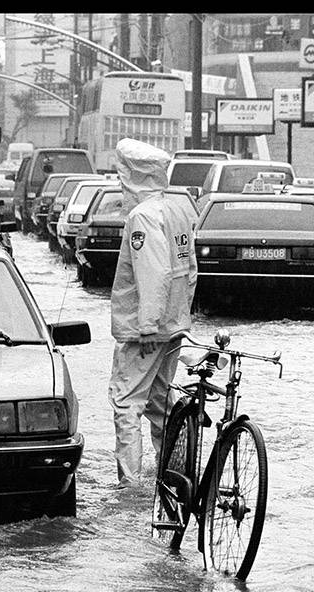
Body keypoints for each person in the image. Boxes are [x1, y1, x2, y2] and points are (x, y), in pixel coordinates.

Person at [107, 138, 198, 488]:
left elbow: (154, 272)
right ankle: (175, 475)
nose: (119, 182)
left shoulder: (142, 216)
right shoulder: (178, 210)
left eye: (121, 175)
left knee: (126, 403)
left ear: (131, 176)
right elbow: (190, 271)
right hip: (173, 325)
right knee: (161, 402)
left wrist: (147, 327)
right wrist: (177, 317)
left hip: (146, 329)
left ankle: (130, 487)